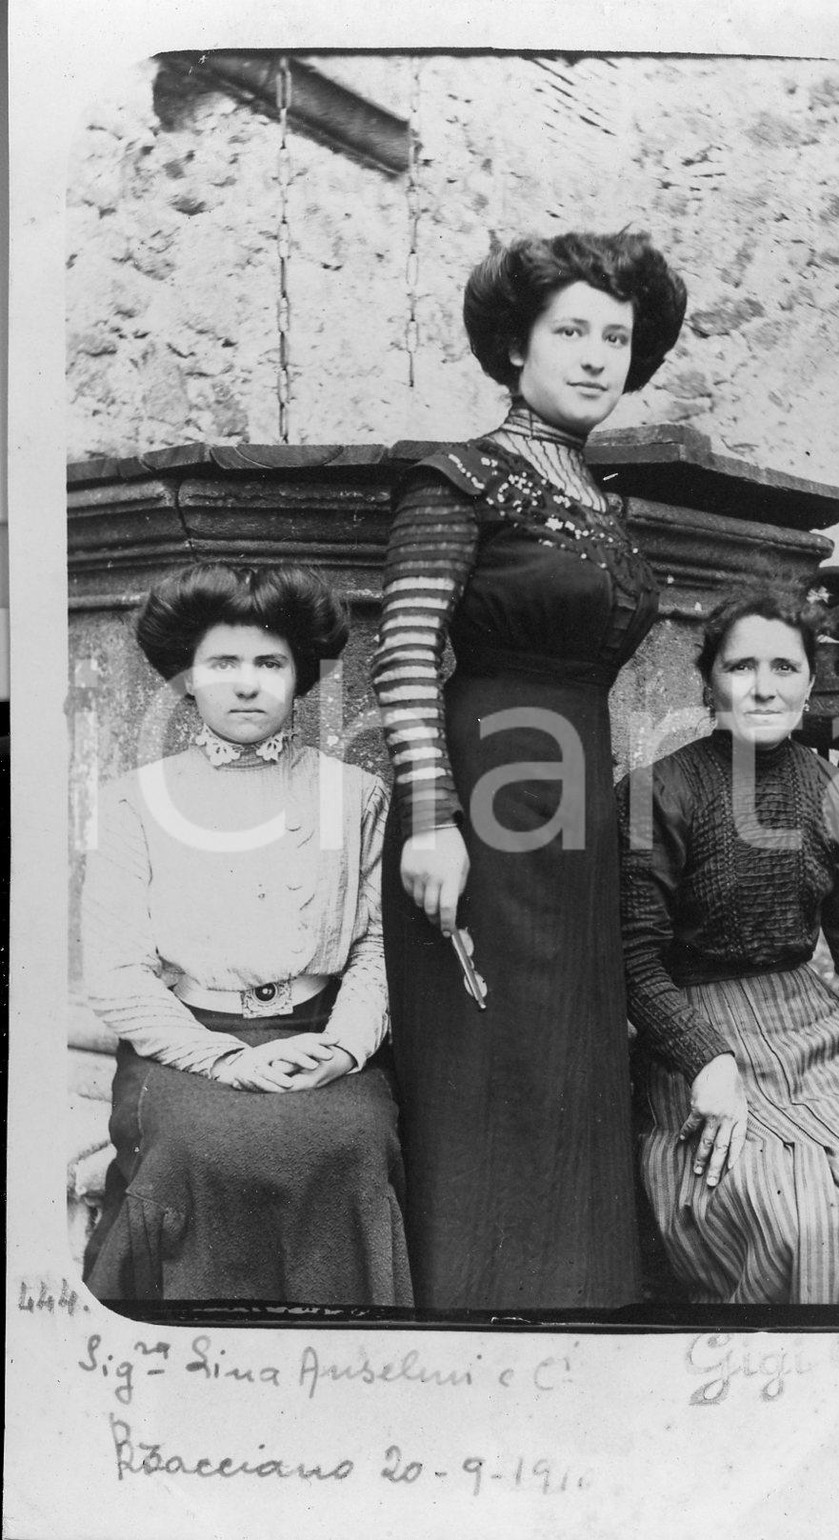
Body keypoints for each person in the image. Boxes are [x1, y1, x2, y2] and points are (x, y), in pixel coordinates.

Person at [371, 230, 687, 1310]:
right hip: (482, 795)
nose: (597, 355)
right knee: (486, 1057)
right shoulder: (456, 478)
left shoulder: (603, 505)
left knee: (569, 1054)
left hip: (573, 804)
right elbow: (405, 650)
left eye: (617, 336)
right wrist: (428, 816)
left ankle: (576, 1308)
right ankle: (470, 1316)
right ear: (515, 347)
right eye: (572, 332)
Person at [617, 584, 839, 1306]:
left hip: (816, 1035)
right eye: (741, 666)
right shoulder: (659, 791)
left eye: (784, 668)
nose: (762, 688)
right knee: (806, 1225)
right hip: (697, 1039)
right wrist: (703, 1060)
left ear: (810, 682)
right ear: (711, 678)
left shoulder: (837, 794)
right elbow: (634, 959)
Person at [82, 563, 412, 1307]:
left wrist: (344, 1046)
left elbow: (377, 947)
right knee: (201, 1147)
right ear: (186, 678)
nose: (246, 683)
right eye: (222, 662)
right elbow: (117, 972)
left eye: (270, 663)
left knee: (350, 1144)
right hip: (187, 1042)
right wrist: (227, 1059)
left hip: (317, 1038)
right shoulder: (137, 801)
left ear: (299, 678)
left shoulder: (353, 796)